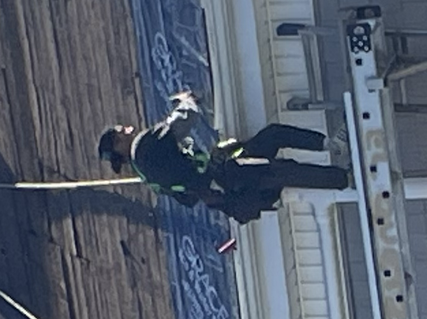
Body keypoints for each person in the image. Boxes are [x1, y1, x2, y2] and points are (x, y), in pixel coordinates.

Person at [97, 92, 350, 224]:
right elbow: (180, 122)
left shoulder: (149, 179)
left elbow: (186, 199)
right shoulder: (145, 145)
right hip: (227, 178)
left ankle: (332, 148)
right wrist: (189, 101)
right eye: (121, 132)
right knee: (282, 170)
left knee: (273, 138)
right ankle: (343, 176)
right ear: (119, 143)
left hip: (229, 195)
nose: (127, 129)